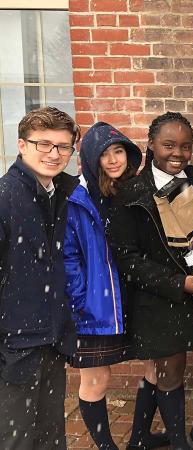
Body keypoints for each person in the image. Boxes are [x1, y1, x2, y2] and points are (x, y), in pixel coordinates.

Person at [109, 112, 193, 450]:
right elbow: (127, 259)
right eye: (168, 145)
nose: (177, 153)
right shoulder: (132, 192)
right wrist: (177, 283)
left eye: (185, 146)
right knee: (169, 374)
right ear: (151, 144)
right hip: (163, 296)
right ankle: (179, 441)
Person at [64, 122, 168, 450]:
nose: (113, 160)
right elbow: (69, 257)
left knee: (154, 365)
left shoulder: (135, 191)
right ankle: (107, 446)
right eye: (104, 155)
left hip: (135, 293)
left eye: (118, 151)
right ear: (91, 159)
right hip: (96, 302)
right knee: (97, 378)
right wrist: (82, 299)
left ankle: (139, 437)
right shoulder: (78, 199)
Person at [0, 107, 80, 449]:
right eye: (43, 144)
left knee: (49, 436)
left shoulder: (57, 194)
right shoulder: (6, 198)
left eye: (63, 146)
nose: (54, 154)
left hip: (50, 338)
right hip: (14, 345)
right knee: (16, 439)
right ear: (22, 145)